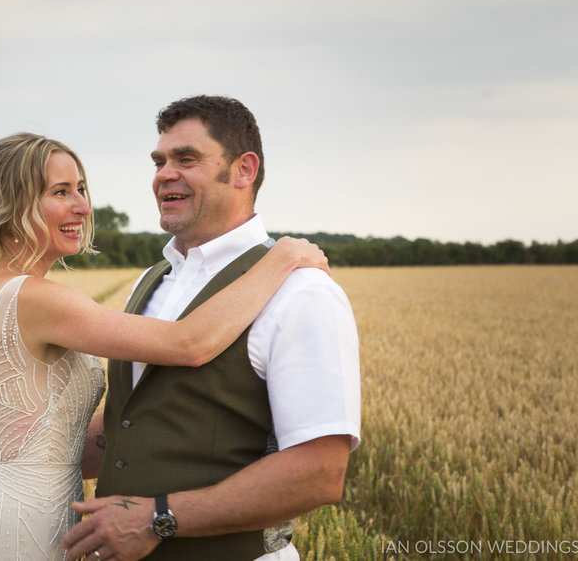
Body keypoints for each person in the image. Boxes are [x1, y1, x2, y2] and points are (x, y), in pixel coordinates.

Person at [0, 132, 331, 560]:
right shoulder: (36, 298)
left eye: (81, 189)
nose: (83, 207)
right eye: (60, 192)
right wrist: (281, 259)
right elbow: (189, 343)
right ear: (11, 206)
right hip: (22, 527)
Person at [61, 96, 361, 561]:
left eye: (187, 159)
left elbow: (318, 472)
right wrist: (1, 458)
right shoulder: (151, 280)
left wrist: (157, 518)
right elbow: (140, 422)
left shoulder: (302, 293)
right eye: (159, 161)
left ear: (244, 170)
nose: (163, 174)